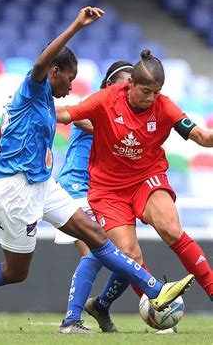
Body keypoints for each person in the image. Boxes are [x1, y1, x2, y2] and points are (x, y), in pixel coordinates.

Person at [0, 7, 194, 333]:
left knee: (95, 236)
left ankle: (154, 291)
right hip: (16, 190)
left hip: (43, 184)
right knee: (15, 272)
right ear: (54, 71)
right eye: (70, 78)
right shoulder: (32, 88)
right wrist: (77, 25)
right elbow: (38, 64)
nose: (72, 86)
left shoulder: (47, 103)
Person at [54, 49, 213, 331]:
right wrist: (27, 109)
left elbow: (201, 136)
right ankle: (144, 311)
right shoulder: (105, 101)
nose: (151, 98)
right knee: (128, 255)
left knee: (171, 228)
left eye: (157, 92)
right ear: (128, 86)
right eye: (146, 92)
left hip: (145, 178)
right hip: (105, 190)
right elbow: (68, 114)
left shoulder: (164, 106)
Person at [55, 62, 134, 333]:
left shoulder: (128, 117)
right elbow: (79, 119)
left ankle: (100, 305)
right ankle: (71, 320)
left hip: (102, 194)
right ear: (108, 86)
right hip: (75, 190)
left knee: (127, 255)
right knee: (96, 250)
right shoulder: (91, 107)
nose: (127, 91)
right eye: (124, 85)